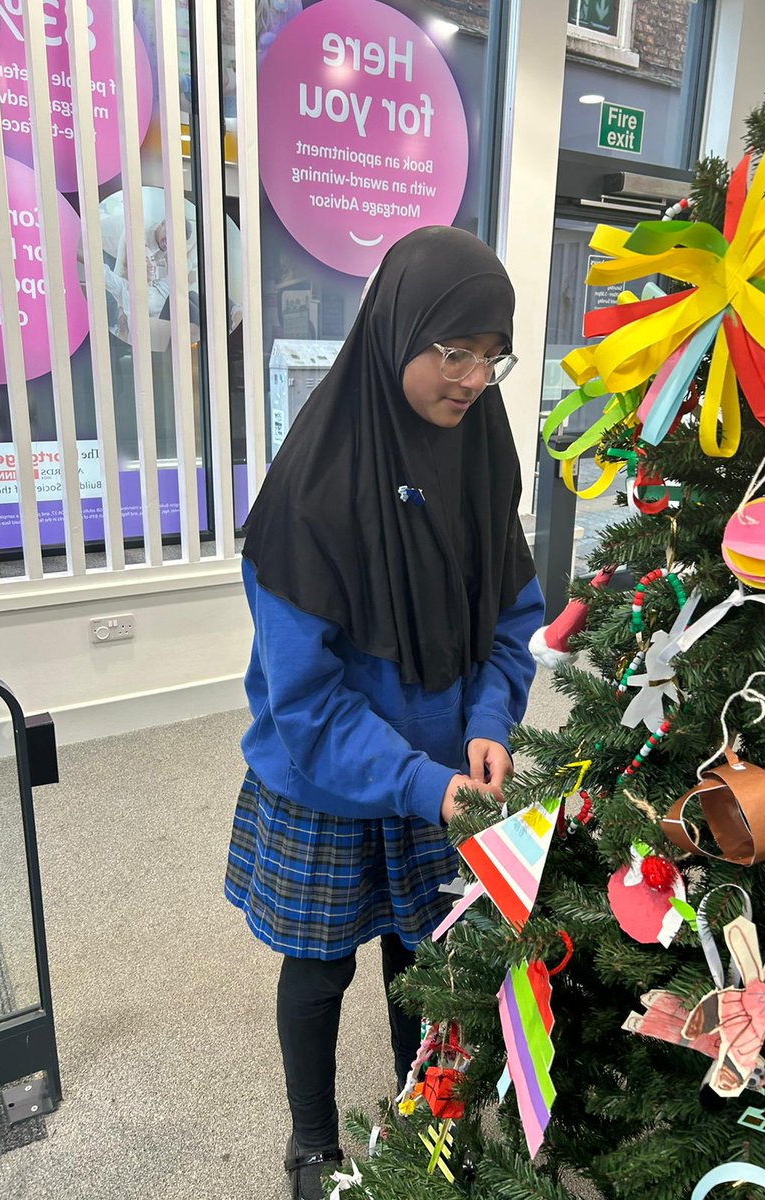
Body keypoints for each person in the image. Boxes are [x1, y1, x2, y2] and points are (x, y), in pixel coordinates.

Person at [223, 226, 545, 1200]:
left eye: (493, 356)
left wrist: (488, 718)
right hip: (331, 781)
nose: (475, 379)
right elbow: (306, 701)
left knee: (424, 960)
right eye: (454, 352)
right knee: (319, 965)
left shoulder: (481, 458)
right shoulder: (310, 493)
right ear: (398, 332)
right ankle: (312, 1142)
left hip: (441, 773)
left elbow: (511, 617)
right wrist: (420, 781)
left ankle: (424, 1117)